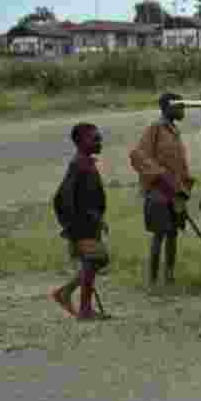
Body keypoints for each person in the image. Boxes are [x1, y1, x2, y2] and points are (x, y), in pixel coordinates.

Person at [130, 92, 196, 287]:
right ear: (167, 107)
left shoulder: (174, 131)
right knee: (160, 233)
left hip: (176, 193)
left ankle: (169, 277)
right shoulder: (155, 129)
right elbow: (138, 156)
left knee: (173, 234)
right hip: (158, 191)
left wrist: (183, 187)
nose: (183, 110)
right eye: (179, 106)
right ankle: (152, 280)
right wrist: (159, 175)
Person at [50, 123, 112, 320]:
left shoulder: (87, 163)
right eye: (95, 139)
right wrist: (71, 226)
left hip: (89, 223)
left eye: (99, 138)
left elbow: (90, 196)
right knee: (96, 258)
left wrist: (98, 217)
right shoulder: (78, 165)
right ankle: (81, 307)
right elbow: (62, 198)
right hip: (81, 225)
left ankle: (69, 296)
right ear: (81, 142)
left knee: (95, 260)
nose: (99, 142)